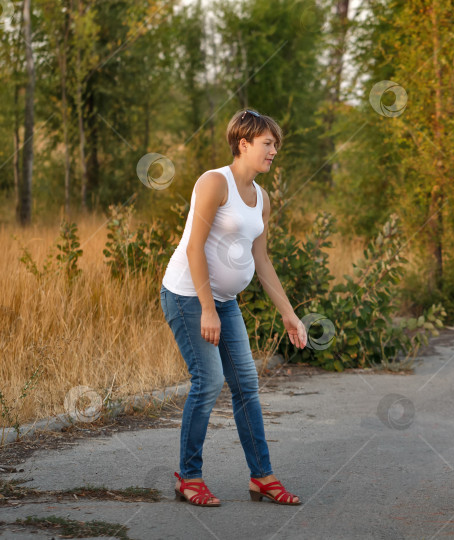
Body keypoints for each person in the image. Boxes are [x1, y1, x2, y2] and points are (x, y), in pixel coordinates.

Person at [160, 109, 306, 507]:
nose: (274, 150)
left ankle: (262, 477)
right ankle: (188, 478)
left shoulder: (262, 198)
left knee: (246, 387)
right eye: (267, 143)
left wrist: (288, 313)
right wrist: (207, 308)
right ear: (243, 144)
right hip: (188, 296)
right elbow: (194, 247)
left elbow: (262, 260)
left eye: (276, 144)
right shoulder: (213, 183)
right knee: (208, 382)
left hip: (224, 302)